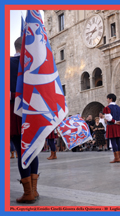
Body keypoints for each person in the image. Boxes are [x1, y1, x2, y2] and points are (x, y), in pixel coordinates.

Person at [10, 37, 39, 203]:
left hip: (15, 112)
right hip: (34, 112)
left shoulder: (7, 64)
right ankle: (33, 190)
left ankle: (28, 193)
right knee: (33, 150)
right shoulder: (34, 64)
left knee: (22, 152)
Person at [103, 93, 120, 163]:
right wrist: (119, 121)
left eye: (107, 99)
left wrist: (114, 122)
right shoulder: (119, 107)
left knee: (113, 142)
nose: (107, 100)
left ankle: (116, 158)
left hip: (111, 125)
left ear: (110, 99)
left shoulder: (107, 107)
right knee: (118, 141)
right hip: (118, 125)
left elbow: (108, 117)